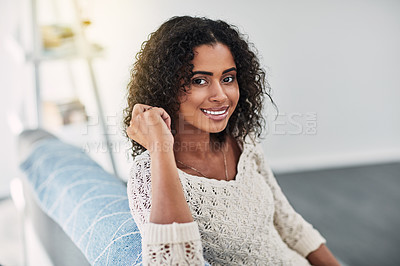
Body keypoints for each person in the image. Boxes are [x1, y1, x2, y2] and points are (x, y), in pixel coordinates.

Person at [124, 16, 340, 265]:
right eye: (199, 81)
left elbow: (289, 225)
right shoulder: (147, 173)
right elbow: (175, 261)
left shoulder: (242, 141)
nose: (221, 95)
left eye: (228, 78)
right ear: (165, 87)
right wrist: (160, 149)